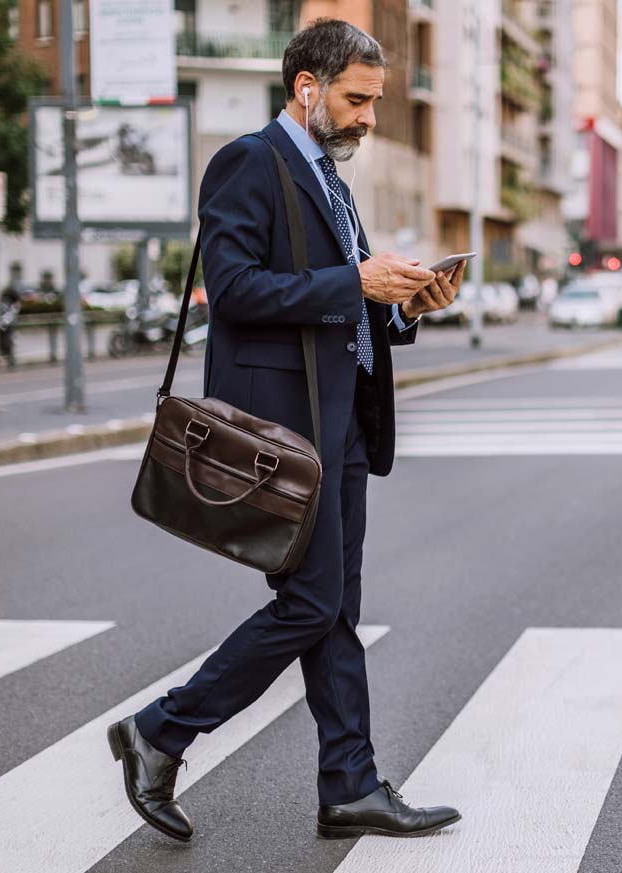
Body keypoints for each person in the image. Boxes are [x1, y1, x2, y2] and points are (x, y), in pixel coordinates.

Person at [106, 19, 465, 843]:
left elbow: (346, 299)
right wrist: (355, 279)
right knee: (310, 604)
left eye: (374, 101)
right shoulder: (248, 164)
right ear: (307, 87)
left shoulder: (332, 185)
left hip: (338, 427)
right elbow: (231, 289)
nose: (369, 118)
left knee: (334, 608)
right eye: (356, 99)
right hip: (281, 435)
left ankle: (349, 786)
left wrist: (402, 305)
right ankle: (162, 729)